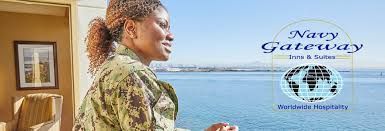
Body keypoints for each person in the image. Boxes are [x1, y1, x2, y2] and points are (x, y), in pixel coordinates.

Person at [73, 0, 238, 130]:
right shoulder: (132, 73)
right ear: (131, 28)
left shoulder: (112, 67)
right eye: (162, 25)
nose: (171, 35)